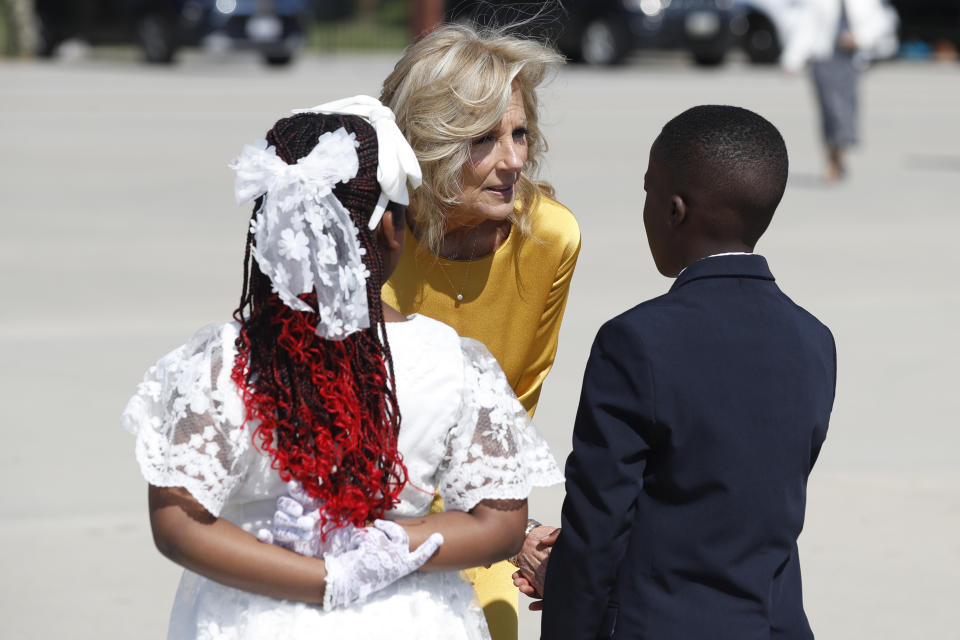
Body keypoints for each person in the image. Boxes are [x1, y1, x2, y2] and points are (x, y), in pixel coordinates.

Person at [121, 102, 562, 639]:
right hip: (407, 618)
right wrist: (393, 546)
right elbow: (501, 525)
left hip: (253, 617)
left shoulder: (223, 361)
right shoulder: (450, 361)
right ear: (393, 231)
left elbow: (177, 523)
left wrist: (322, 578)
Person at [536, 106, 837, 638]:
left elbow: (599, 524)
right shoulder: (814, 340)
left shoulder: (636, 341)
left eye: (648, 190)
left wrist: (565, 596)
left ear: (675, 210)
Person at [374, 24, 580, 640]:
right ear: (428, 143)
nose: (514, 159)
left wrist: (513, 530)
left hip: (474, 523)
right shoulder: (371, 237)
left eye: (519, 133)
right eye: (483, 139)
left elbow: (509, 412)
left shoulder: (551, 239)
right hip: (358, 520)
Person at [780, 0, 897, 181]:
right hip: (823, 58)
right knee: (829, 108)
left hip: (850, 59)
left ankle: (839, 154)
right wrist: (792, 59)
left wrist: (859, 37)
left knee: (846, 108)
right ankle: (831, 158)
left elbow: (881, 21)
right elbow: (805, 25)